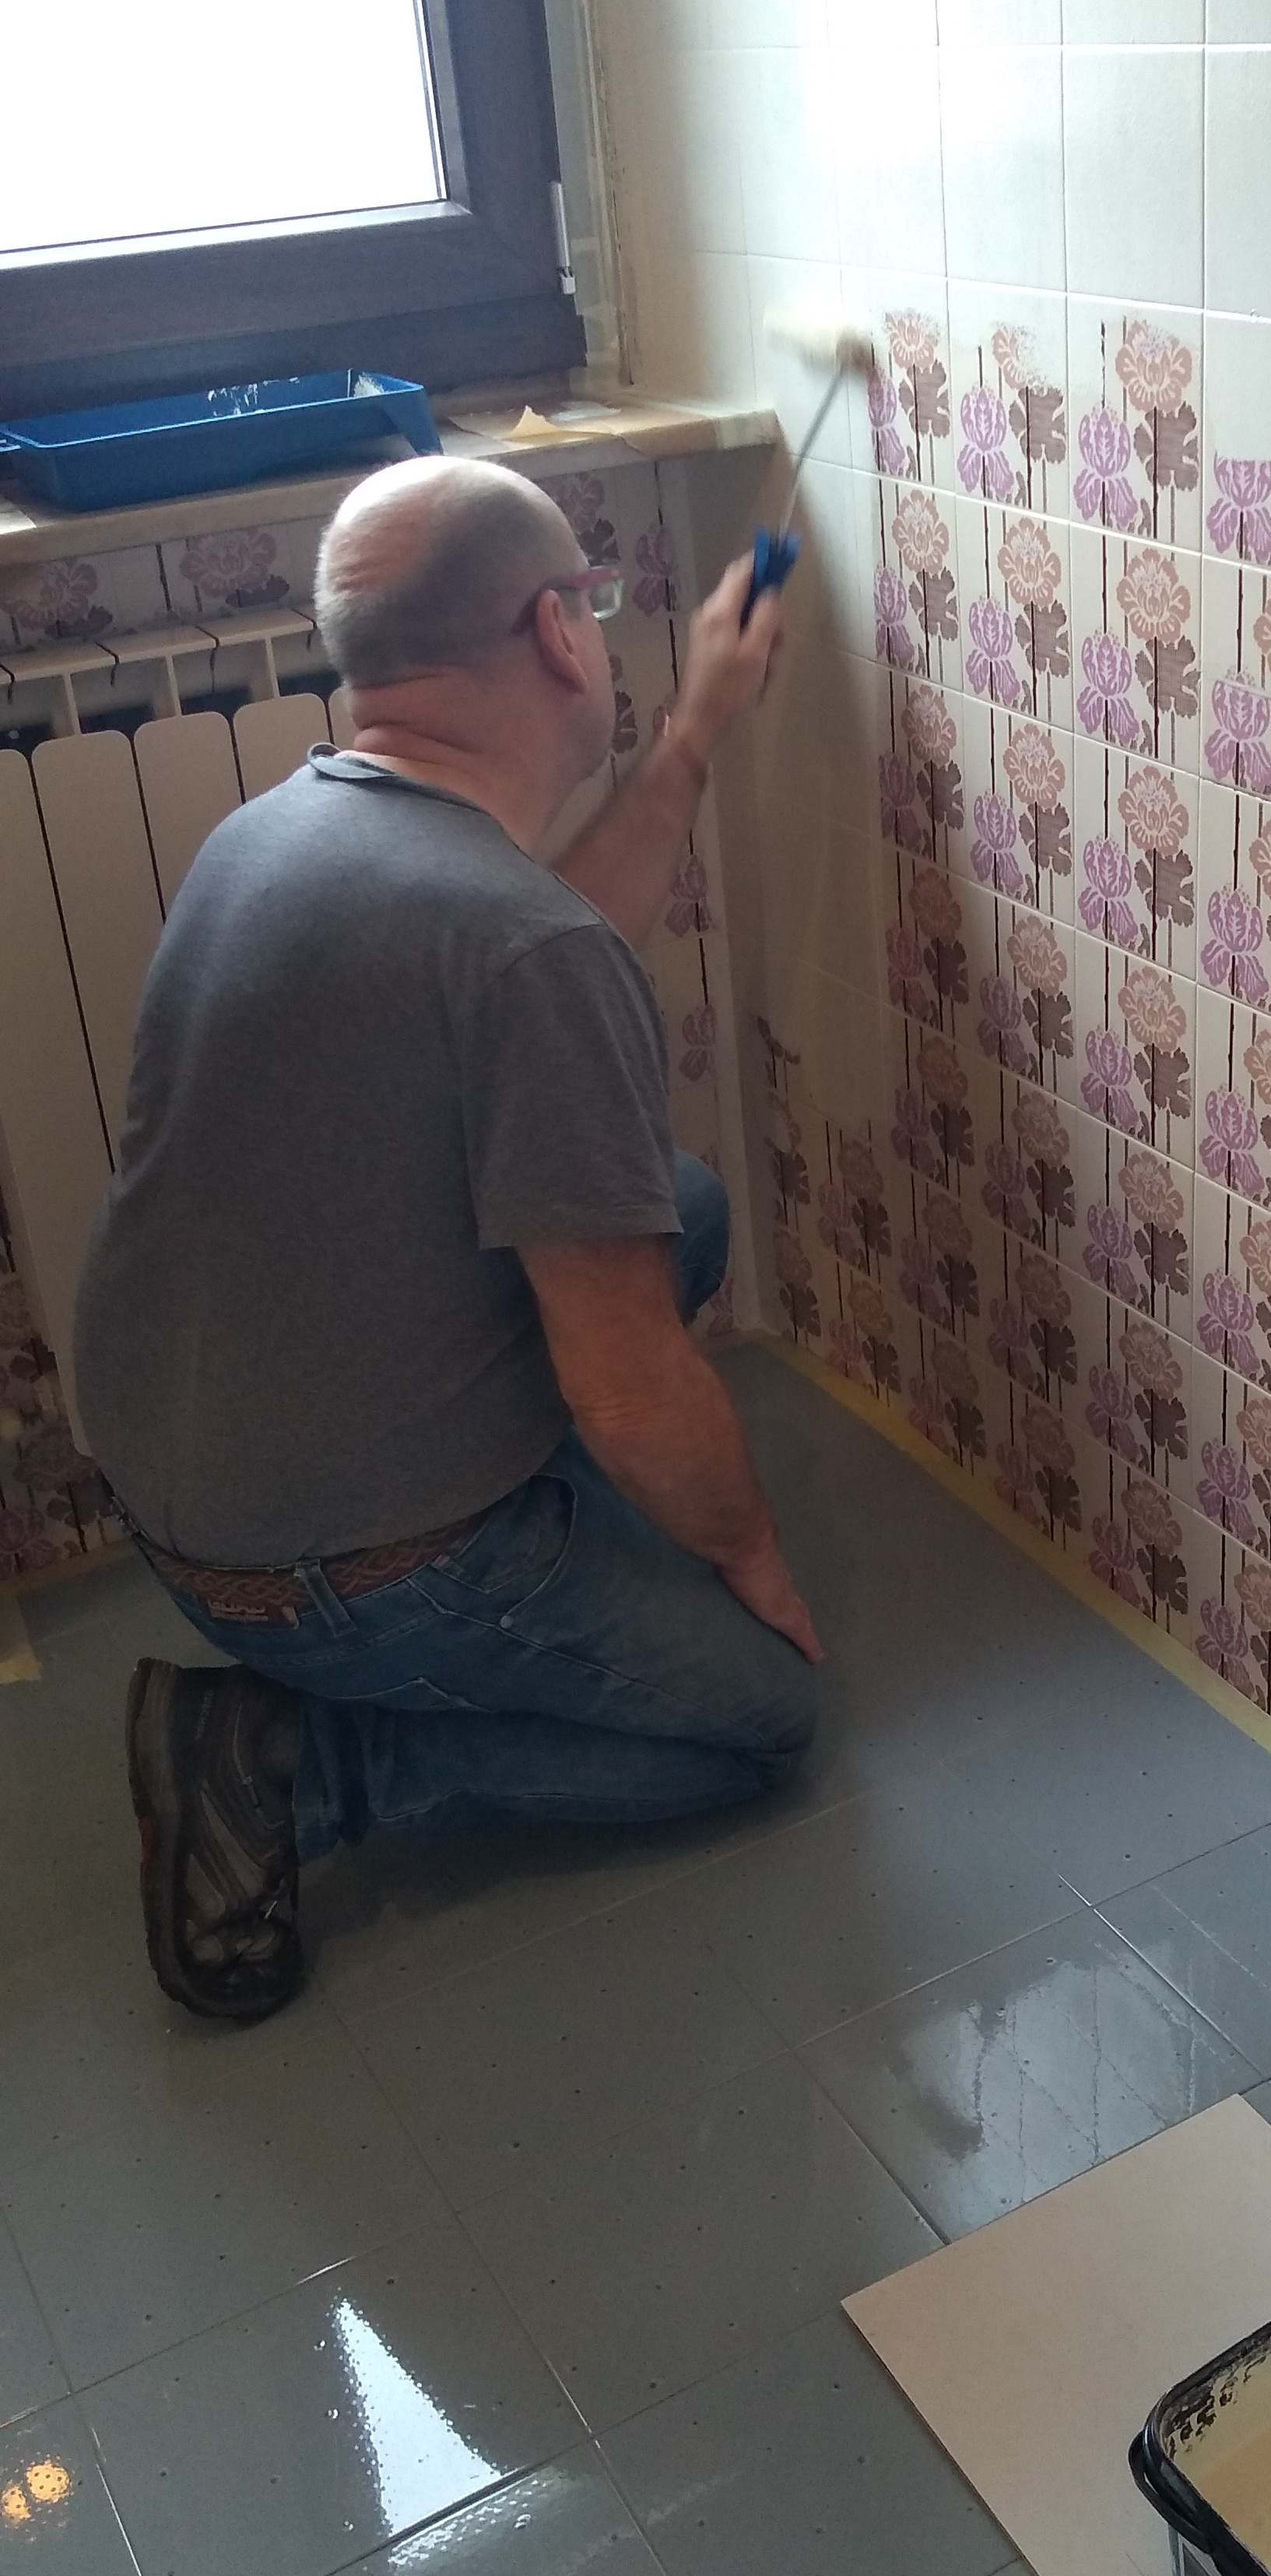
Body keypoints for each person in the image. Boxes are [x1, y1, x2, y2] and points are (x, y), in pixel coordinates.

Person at [72, 456, 821, 2028]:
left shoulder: (276, 836)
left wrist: (693, 731)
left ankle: (458, 1586)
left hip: (176, 1483)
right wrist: (745, 1553)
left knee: (674, 1206)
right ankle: (295, 1760)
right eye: (593, 608)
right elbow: (626, 1387)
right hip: (330, 1576)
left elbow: (541, 937)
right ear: (557, 631)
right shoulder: (517, 950)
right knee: (754, 1721)